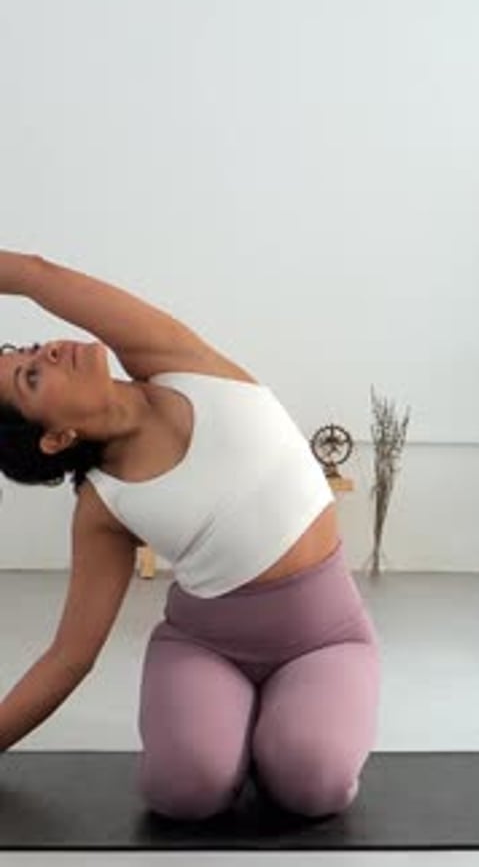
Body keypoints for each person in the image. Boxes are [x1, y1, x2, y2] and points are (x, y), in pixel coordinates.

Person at [0, 249, 381, 820]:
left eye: (30, 351)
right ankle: (234, 730)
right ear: (55, 438)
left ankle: (278, 730)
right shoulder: (103, 505)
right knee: (183, 792)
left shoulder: (174, 359)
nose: (49, 351)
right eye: (32, 377)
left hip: (325, 639)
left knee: (312, 783)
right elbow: (68, 656)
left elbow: (34, 275)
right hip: (207, 649)